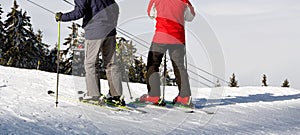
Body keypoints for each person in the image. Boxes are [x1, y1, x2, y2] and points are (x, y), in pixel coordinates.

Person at [55, 0, 125, 106]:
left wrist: (62, 17)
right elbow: (115, 8)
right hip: (110, 32)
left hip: (95, 32)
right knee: (111, 64)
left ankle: (93, 95)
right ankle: (116, 96)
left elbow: (79, 12)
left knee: (91, 64)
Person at [140, 0, 196, 106]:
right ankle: (184, 96)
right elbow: (191, 16)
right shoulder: (184, 1)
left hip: (161, 37)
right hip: (178, 38)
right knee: (179, 66)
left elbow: (150, 13)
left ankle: (154, 95)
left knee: (153, 64)